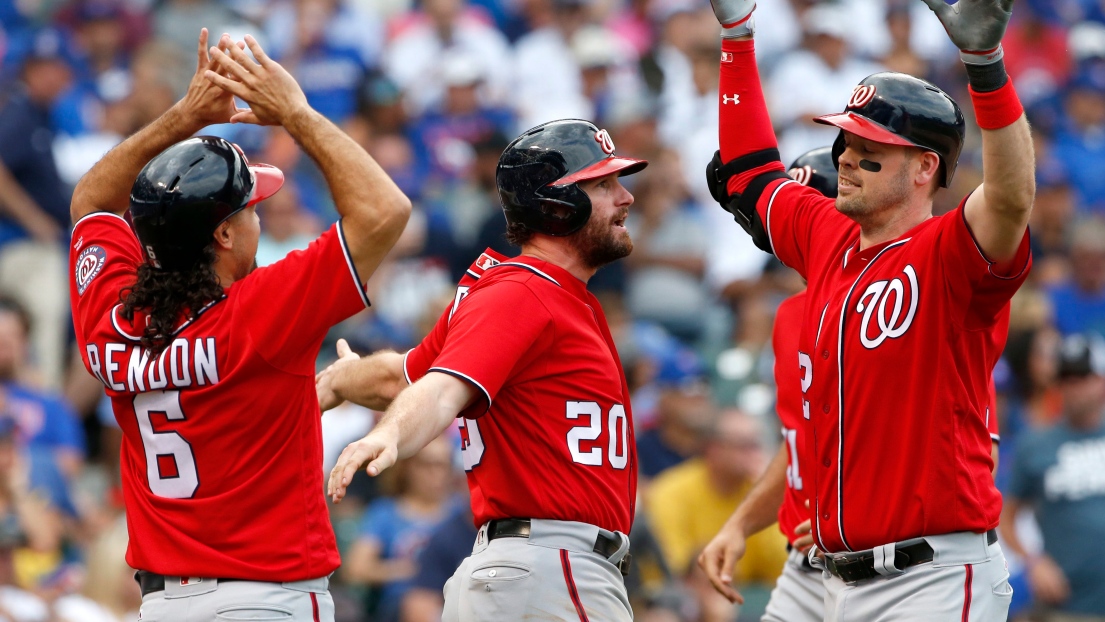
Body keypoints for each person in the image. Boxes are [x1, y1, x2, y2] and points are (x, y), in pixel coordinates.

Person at [702, 0, 1034, 617]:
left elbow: (1012, 198)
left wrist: (985, 68)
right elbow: (749, 174)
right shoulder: (828, 234)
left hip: (930, 576)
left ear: (924, 168)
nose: (845, 159)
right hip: (830, 575)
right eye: (844, 141)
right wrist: (737, 35)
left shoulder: (950, 254)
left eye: (870, 148)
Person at [68, 29, 410, 622]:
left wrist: (185, 116)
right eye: (252, 209)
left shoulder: (111, 315)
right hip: (266, 599)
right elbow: (386, 210)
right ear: (224, 234)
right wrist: (296, 115)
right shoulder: (262, 310)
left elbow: (91, 204)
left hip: (165, 604)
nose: (261, 217)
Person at [326, 118, 647, 621]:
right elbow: (439, 391)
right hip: (550, 571)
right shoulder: (522, 292)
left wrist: (341, 380)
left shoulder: (530, 292)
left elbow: (404, 377)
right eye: (603, 184)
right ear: (557, 204)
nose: (625, 197)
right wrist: (387, 436)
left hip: (532, 573)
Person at [699, 147, 837, 621]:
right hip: (806, 562)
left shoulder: (892, 306)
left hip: (885, 558)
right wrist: (739, 525)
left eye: (806, 207)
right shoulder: (789, 315)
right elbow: (802, 442)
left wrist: (853, 522)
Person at [1000, 333, 1105, 622]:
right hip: (1066, 605)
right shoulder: (1035, 444)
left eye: (1082, 377)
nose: (1074, 387)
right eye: (1066, 379)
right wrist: (1033, 562)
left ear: (1101, 381)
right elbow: (1006, 517)